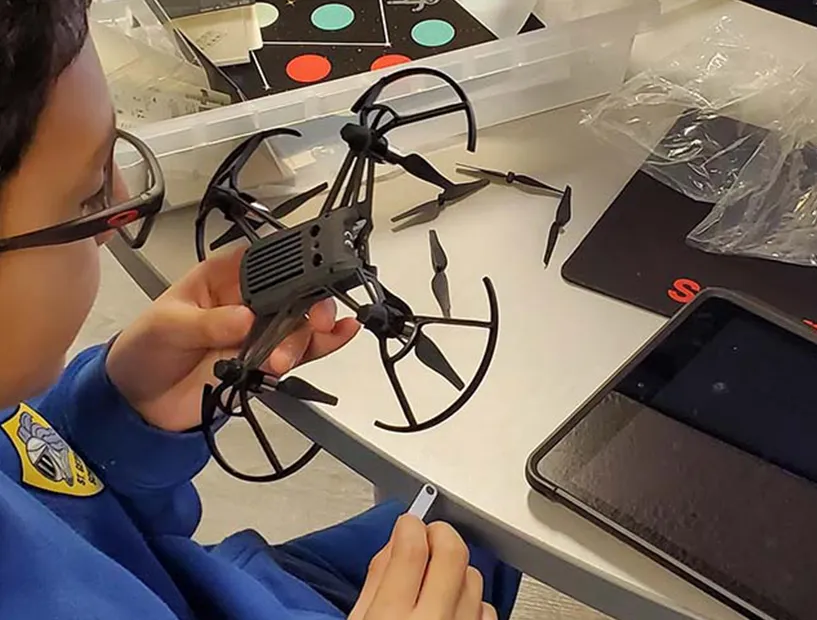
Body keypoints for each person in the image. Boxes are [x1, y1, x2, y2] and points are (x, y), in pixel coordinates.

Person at [0, 2, 520, 618]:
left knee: (489, 512)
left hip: (201, 586)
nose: (119, 204)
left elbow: (51, 502)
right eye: (88, 196)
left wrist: (116, 416)